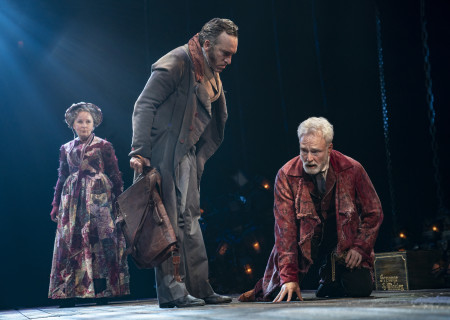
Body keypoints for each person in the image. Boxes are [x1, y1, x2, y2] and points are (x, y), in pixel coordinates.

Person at [129, 18, 238, 308]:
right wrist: (140, 150)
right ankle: (172, 291)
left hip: (186, 153)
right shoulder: (178, 60)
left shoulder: (210, 68)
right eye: (224, 53)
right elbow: (144, 104)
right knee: (168, 222)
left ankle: (200, 287)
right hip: (165, 152)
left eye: (232, 54)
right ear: (205, 45)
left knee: (190, 219)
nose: (229, 60)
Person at [239, 117, 383, 302]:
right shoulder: (286, 174)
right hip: (303, 243)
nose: (308, 158)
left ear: (329, 149)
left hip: (343, 244)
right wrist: (289, 278)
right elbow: (285, 231)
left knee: (360, 287)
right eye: (303, 151)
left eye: (315, 151)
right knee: (280, 294)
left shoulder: (352, 169)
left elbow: (374, 212)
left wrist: (360, 247)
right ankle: (262, 288)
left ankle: (330, 280)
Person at [49, 102, 130, 307]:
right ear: (73, 124)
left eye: (88, 122)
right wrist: (56, 204)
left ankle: (102, 291)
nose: (84, 125)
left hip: (99, 199)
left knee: (100, 241)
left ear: (94, 124)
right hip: (73, 202)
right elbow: (62, 176)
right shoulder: (66, 148)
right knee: (71, 243)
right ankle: (68, 293)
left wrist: (119, 202)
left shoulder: (104, 146)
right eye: (80, 122)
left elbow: (115, 174)